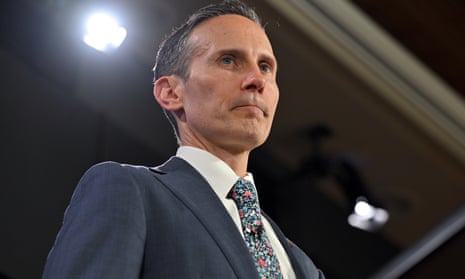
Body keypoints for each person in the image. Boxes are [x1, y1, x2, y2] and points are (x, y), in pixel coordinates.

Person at [42, 1, 325, 278]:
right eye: (228, 60)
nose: (257, 80)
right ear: (171, 93)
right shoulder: (131, 191)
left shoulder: (304, 267)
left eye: (265, 67)